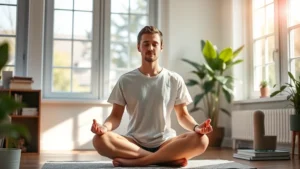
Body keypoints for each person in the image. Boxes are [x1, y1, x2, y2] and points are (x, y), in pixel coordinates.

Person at [91, 26, 213, 167]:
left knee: (202, 140)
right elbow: (115, 116)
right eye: (146, 44)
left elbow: (183, 115)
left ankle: (141, 162)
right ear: (139, 47)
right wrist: (104, 127)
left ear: (161, 47)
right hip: (134, 143)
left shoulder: (174, 79)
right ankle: (166, 159)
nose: (150, 48)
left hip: (166, 142)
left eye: (155, 44)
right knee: (99, 140)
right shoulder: (126, 80)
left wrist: (197, 127)